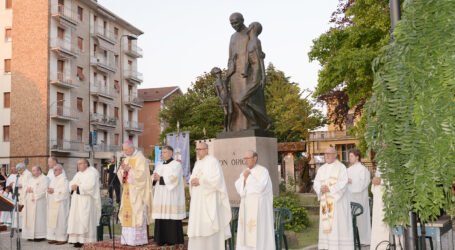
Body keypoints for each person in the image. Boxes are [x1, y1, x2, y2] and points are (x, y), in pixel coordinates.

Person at [187, 142, 232, 250]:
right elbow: (194, 178)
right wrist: (192, 181)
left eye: (200, 149)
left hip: (209, 201)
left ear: (207, 150)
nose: (198, 151)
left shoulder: (213, 162)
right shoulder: (197, 164)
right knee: (198, 226)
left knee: (209, 226)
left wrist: (201, 181)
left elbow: (217, 180)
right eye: (197, 149)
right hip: (198, 201)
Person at [313, 147, 354, 249]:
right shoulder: (321, 169)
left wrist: (330, 189)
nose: (326, 155)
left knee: (338, 226)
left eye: (329, 153)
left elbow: (343, 182)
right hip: (325, 202)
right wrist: (320, 188)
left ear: (335, 155)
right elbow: (316, 182)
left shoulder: (341, 167)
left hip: (338, 204)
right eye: (325, 153)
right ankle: (327, 247)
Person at [234, 150, 275, 250]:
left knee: (257, 233)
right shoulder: (245, 172)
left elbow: (260, 188)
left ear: (255, 158)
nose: (245, 161)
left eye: (247, 158)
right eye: (245, 158)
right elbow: (240, 189)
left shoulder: (263, 171)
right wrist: (244, 179)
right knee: (245, 234)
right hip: (246, 207)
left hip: (259, 209)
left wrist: (248, 178)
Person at [117, 141, 153, 246]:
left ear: (132, 149)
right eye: (124, 150)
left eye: (126, 150)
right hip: (128, 191)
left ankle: (137, 240)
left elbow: (142, 175)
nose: (125, 152)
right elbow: (121, 174)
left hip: (137, 191)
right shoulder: (127, 159)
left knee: (136, 213)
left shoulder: (141, 158)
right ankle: (127, 239)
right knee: (127, 214)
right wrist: (123, 171)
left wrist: (130, 170)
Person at [239, 22, 272, 131]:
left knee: (240, 101)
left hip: (256, 74)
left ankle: (260, 122)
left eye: (249, 26)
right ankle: (259, 123)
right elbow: (248, 60)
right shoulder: (250, 42)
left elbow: (260, 60)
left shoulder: (256, 41)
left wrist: (263, 76)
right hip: (252, 73)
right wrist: (244, 71)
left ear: (253, 28)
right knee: (247, 102)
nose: (247, 27)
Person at [152, 146, 185, 246]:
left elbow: (174, 179)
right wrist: (154, 178)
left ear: (171, 153)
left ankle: (173, 239)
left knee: (171, 217)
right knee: (161, 217)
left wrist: (160, 178)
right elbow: (154, 176)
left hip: (171, 196)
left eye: (165, 152)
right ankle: (161, 239)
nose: (162, 154)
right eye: (162, 152)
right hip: (160, 196)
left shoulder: (176, 165)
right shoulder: (159, 165)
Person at [67, 159, 101, 248]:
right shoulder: (78, 174)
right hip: (76, 201)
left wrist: (77, 187)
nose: (78, 166)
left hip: (86, 201)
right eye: (78, 164)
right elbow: (71, 183)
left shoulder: (91, 173)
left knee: (85, 220)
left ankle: (86, 240)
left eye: (80, 164)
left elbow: (91, 186)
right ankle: (77, 240)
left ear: (86, 164)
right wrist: (72, 186)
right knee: (76, 220)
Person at [226, 12, 249, 131]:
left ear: (242, 20)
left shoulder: (250, 32)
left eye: (236, 22)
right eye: (232, 23)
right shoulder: (232, 37)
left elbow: (255, 50)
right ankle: (235, 127)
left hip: (247, 71)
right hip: (234, 72)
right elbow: (230, 55)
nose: (234, 25)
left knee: (245, 99)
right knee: (235, 99)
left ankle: (248, 125)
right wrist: (229, 70)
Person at [347, 149, 371, 246]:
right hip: (350, 197)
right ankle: (353, 239)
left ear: (357, 157)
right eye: (350, 156)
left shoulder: (363, 169)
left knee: (361, 218)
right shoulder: (348, 169)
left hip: (360, 198)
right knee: (351, 219)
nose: (350, 158)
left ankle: (364, 240)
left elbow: (364, 183)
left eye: (352, 156)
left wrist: (352, 181)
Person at [21, 166, 48, 240]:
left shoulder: (44, 178)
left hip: (39, 202)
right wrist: (27, 189)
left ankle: (40, 236)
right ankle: (30, 235)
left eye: (34, 171)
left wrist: (33, 190)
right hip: (29, 202)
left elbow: (44, 190)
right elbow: (25, 187)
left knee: (38, 219)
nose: (33, 172)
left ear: (39, 171)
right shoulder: (31, 179)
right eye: (32, 171)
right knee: (30, 219)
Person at [46, 164, 69, 245]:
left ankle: (62, 238)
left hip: (61, 204)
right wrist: (49, 191)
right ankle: (54, 237)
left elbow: (64, 192)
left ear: (61, 170)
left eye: (56, 170)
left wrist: (54, 191)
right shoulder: (53, 179)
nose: (54, 172)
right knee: (53, 221)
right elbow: (51, 189)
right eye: (53, 170)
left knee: (60, 221)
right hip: (53, 203)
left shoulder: (64, 180)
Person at [370, 166, 389, 250]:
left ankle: (385, 246)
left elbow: (396, 180)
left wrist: (381, 181)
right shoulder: (381, 162)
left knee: (384, 225)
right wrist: (374, 181)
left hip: (387, 199)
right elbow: (377, 178)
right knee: (378, 223)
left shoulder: (393, 158)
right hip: (378, 199)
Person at [211, 67, 233, 132]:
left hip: (229, 97)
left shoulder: (225, 80)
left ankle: (229, 126)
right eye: (217, 73)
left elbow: (229, 76)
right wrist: (222, 101)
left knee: (231, 112)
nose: (219, 74)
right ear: (214, 75)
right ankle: (225, 127)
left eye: (219, 72)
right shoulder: (215, 83)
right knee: (226, 113)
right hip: (223, 99)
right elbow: (218, 94)